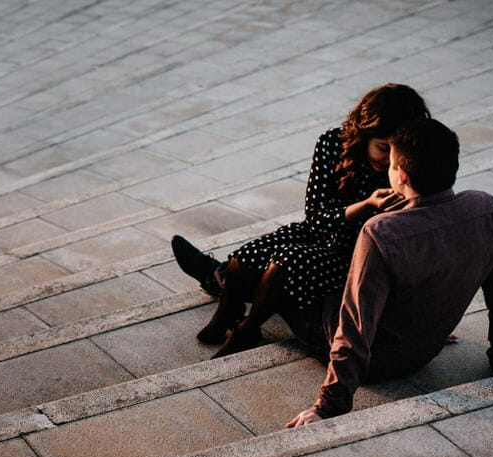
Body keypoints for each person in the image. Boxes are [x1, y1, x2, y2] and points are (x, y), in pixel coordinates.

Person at [285, 117, 493, 428]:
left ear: (402, 174)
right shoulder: (486, 208)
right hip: (425, 351)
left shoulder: (381, 232)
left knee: (292, 275)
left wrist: (328, 407)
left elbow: (355, 326)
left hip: (375, 363)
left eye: (391, 163)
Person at [173, 83, 430, 358]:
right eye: (382, 148)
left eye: (395, 151)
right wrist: (364, 206)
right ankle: (228, 306)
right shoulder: (333, 143)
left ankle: (247, 328)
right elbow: (315, 217)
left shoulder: (405, 170)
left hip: (353, 256)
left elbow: (411, 242)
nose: (390, 159)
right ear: (365, 133)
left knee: (287, 261)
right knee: (243, 258)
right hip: (319, 230)